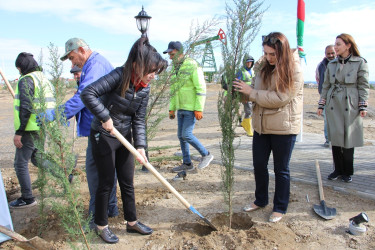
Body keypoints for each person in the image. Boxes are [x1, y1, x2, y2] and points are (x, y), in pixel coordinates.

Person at [81, 37, 168, 243]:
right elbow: (88, 93)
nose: (153, 76)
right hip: (103, 135)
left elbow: (139, 119)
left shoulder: (144, 88)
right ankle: (101, 225)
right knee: (106, 182)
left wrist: (141, 146)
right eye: (151, 71)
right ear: (137, 65)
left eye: (156, 72)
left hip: (123, 137)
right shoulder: (119, 76)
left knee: (127, 181)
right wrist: (105, 117)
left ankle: (132, 222)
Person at [234, 32, 303, 223]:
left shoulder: (294, 70)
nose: (269, 58)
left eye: (273, 54)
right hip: (261, 126)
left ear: (283, 51)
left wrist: (252, 92)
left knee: (281, 170)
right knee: (258, 165)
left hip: (284, 128)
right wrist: (239, 91)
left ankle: (280, 207)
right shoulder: (263, 67)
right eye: (266, 53)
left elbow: (280, 98)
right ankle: (260, 200)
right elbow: (254, 92)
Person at [59, 38, 119, 224]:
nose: (73, 62)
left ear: (81, 50)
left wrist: (58, 114)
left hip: (103, 128)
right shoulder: (93, 64)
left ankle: (95, 217)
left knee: (95, 172)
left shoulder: (95, 66)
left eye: (72, 57)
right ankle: (110, 208)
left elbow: (84, 97)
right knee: (106, 169)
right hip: (102, 126)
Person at [317, 33, 369, 183]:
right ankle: (337, 170)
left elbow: (363, 85)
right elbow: (326, 85)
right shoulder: (331, 64)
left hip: (350, 103)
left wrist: (362, 105)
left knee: (348, 138)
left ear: (348, 45)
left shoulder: (360, 62)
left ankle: (347, 171)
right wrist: (321, 104)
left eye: (339, 44)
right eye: (335, 44)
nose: (335, 47)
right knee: (336, 137)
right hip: (333, 103)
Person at [9, 52, 56, 208]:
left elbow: (26, 107)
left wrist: (19, 133)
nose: (19, 72)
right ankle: (65, 174)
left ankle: (27, 198)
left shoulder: (27, 80)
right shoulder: (43, 79)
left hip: (29, 128)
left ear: (22, 67)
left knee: (20, 163)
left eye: (18, 68)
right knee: (37, 158)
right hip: (42, 126)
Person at [164, 41, 214, 172]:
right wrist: (172, 108)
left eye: (172, 54)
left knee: (186, 134)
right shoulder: (174, 68)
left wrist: (199, 108)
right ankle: (187, 163)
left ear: (180, 52)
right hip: (181, 108)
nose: (170, 57)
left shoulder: (192, 65)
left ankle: (206, 154)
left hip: (191, 109)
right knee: (181, 136)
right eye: (169, 54)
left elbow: (201, 87)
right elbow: (174, 90)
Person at [315, 45, 336, 147]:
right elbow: (319, 80)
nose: (331, 55)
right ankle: (328, 140)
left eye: (332, 53)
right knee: (327, 120)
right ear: (325, 54)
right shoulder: (321, 66)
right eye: (328, 53)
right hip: (326, 97)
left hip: (339, 97)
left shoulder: (341, 64)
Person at [236, 56, 255, 136]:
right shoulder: (241, 71)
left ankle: (245, 124)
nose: (249, 63)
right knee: (249, 110)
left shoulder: (253, 71)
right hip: (244, 94)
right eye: (247, 62)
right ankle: (248, 128)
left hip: (252, 93)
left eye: (250, 62)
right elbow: (237, 83)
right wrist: (243, 95)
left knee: (252, 110)